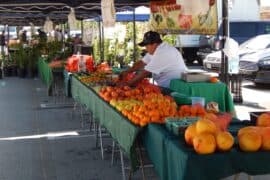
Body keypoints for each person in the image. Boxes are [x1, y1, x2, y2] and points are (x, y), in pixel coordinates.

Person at [118, 31, 188, 88]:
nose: (145, 48)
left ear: (154, 44)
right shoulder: (156, 49)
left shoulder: (163, 52)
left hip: (174, 87)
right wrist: (127, 72)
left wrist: (128, 84)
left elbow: (145, 73)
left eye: (146, 45)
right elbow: (141, 63)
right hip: (166, 85)